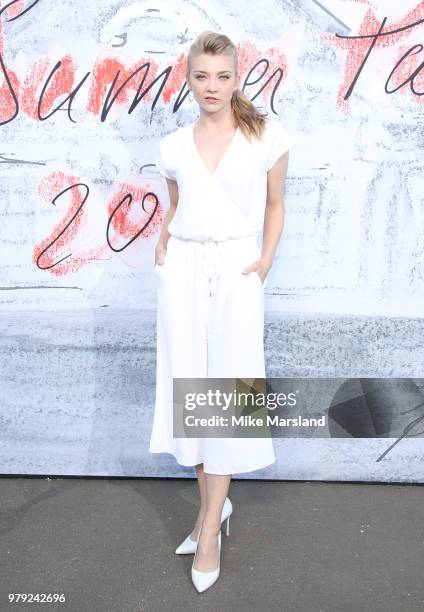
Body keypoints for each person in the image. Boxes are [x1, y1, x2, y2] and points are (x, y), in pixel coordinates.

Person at [149, 30, 293, 593]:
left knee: (227, 396)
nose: (212, 87)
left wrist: (263, 263)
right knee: (192, 391)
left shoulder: (268, 137)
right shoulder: (172, 145)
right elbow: (178, 205)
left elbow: (277, 204)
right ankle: (215, 507)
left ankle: (209, 526)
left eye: (223, 76)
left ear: (238, 76)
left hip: (236, 270)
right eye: (201, 76)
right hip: (182, 269)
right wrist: (163, 244)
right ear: (187, 77)